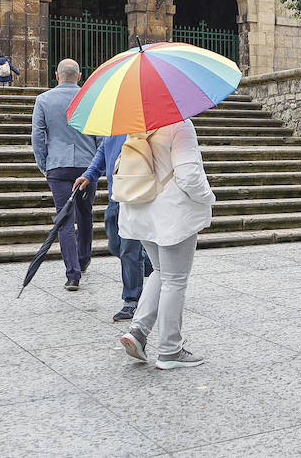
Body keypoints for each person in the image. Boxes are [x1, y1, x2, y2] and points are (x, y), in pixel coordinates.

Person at [116, 119, 215, 369]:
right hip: (172, 214)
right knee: (175, 279)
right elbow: (189, 174)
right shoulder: (179, 125)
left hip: (141, 211)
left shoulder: (137, 125)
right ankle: (171, 350)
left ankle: (138, 330)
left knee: (161, 272)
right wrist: (208, 197)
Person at [31, 59, 98, 291]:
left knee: (64, 219)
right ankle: (84, 257)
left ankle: (73, 274)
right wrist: (98, 164)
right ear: (79, 76)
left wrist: (44, 165)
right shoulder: (90, 99)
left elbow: (38, 136)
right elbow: (101, 135)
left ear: (56, 75)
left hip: (58, 166)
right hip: (87, 166)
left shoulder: (43, 100)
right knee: (85, 213)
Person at [75, 135, 155, 321]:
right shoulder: (115, 126)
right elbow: (104, 149)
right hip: (116, 196)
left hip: (136, 197)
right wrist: (89, 174)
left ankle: (131, 301)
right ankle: (155, 270)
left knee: (129, 249)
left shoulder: (144, 127)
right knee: (115, 244)